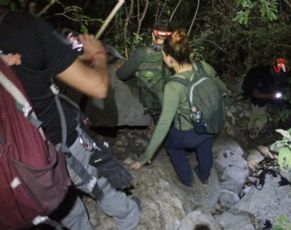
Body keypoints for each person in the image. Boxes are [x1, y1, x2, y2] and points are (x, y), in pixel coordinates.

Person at [0, 9, 141, 230]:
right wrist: (98, 55)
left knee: (61, 204)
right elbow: (98, 87)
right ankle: (129, 215)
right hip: (57, 140)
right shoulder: (18, 26)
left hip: (16, 162)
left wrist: (62, 53)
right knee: (94, 183)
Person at [130, 30, 226, 187]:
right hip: (210, 126)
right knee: (205, 145)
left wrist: (145, 157)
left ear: (169, 59)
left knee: (172, 145)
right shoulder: (203, 67)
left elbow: (164, 124)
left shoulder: (174, 86)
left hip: (187, 135)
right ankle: (204, 175)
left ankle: (187, 181)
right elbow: (223, 89)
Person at [116, 20, 173, 164]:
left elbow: (122, 74)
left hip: (153, 101)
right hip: (173, 98)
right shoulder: (177, 54)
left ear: (153, 35)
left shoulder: (142, 53)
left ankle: (167, 145)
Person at [242, 57, 289, 138]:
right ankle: (252, 131)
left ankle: (253, 130)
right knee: (258, 113)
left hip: (261, 95)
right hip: (251, 94)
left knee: (259, 112)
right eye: (278, 73)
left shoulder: (274, 76)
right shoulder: (260, 74)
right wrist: (271, 96)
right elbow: (255, 94)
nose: (279, 75)